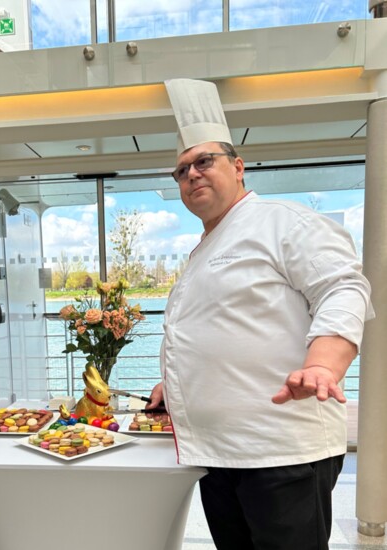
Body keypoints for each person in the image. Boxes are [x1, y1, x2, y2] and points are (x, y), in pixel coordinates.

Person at [147, 79, 374, 550]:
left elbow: (343, 286)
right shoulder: (203, 249)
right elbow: (223, 327)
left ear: (239, 166)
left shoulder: (283, 222)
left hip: (280, 451)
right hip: (217, 453)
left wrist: (322, 365)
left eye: (204, 161)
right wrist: (175, 384)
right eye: (182, 170)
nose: (192, 175)